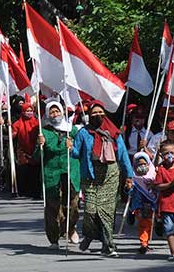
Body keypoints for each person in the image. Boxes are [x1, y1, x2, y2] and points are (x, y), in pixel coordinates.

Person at [71, 101, 134, 257]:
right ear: (89, 116)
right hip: (90, 176)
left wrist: (129, 175)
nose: (97, 115)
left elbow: (123, 155)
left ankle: (109, 246)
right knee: (90, 211)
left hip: (110, 175)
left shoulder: (113, 132)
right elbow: (76, 153)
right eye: (94, 113)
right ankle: (90, 234)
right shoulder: (83, 133)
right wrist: (70, 146)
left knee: (106, 212)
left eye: (100, 112)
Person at [34, 101, 81, 248]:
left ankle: (71, 228)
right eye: (52, 112)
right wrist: (39, 145)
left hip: (70, 172)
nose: (55, 115)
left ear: (62, 112)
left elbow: (81, 149)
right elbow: (36, 158)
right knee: (53, 207)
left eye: (57, 111)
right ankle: (54, 238)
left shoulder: (72, 130)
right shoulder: (44, 132)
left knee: (73, 204)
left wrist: (72, 146)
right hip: (51, 174)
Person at [10, 100, 41, 198]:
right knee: (24, 171)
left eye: (30, 111)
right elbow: (12, 135)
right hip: (23, 151)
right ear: (23, 112)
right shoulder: (18, 123)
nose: (29, 113)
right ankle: (23, 191)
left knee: (35, 172)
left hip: (34, 150)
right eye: (27, 111)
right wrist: (8, 127)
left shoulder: (37, 123)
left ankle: (35, 191)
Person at [128, 151, 156, 254]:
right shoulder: (133, 177)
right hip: (139, 204)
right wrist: (128, 187)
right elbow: (128, 191)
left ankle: (145, 241)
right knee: (143, 223)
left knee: (148, 223)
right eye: (140, 164)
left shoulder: (153, 175)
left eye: (145, 164)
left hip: (151, 204)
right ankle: (144, 243)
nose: (142, 166)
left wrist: (154, 185)